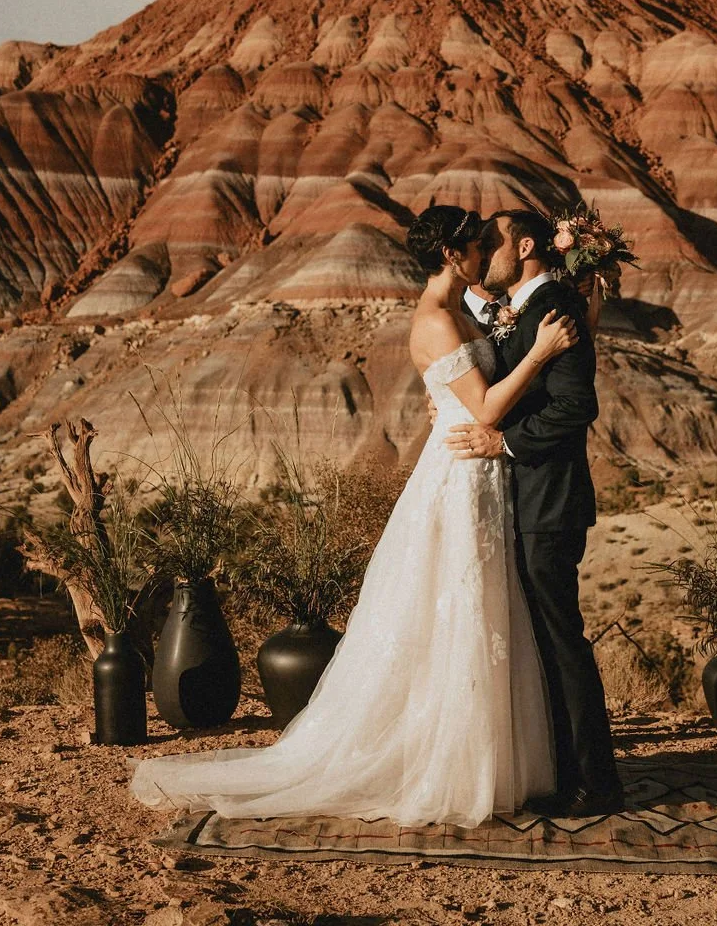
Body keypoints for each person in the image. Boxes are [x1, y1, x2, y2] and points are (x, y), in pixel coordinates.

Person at [129, 204, 577, 828]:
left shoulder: (460, 313)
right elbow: (485, 411)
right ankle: (449, 763)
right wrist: (540, 354)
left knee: (484, 614)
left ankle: (496, 760)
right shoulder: (433, 323)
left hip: (484, 478)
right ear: (452, 255)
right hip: (460, 477)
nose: (483, 256)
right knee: (459, 612)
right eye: (476, 247)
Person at [445, 209, 624, 819]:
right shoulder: (530, 304)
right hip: (525, 501)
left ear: (523, 246)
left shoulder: (555, 307)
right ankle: (563, 769)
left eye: (489, 242)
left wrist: (505, 443)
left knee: (560, 640)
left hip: (548, 500)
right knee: (543, 641)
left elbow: (577, 406)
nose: (481, 251)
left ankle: (595, 781)